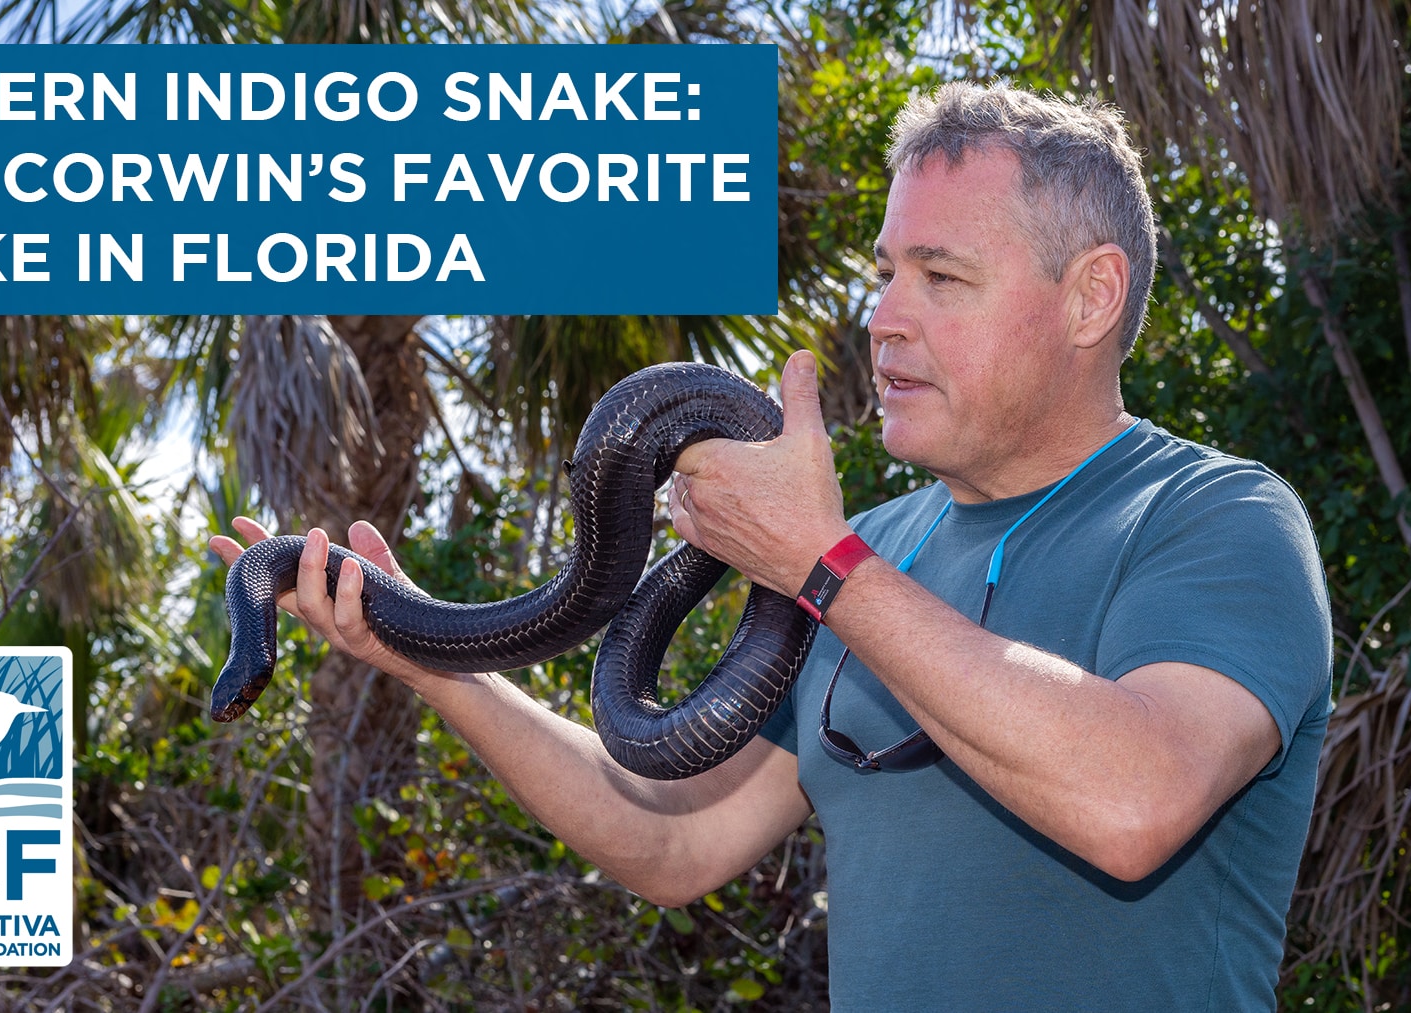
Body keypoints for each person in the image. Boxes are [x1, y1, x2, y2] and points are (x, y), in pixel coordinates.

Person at [210, 81, 1332, 1010]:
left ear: (1091, 297)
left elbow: (1134, 801)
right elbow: (674, 844)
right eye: (887, 271)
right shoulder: (874, 552)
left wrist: (819, 564)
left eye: (941, 277)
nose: (884, 316)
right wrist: (426, 652)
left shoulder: (1216, 519)